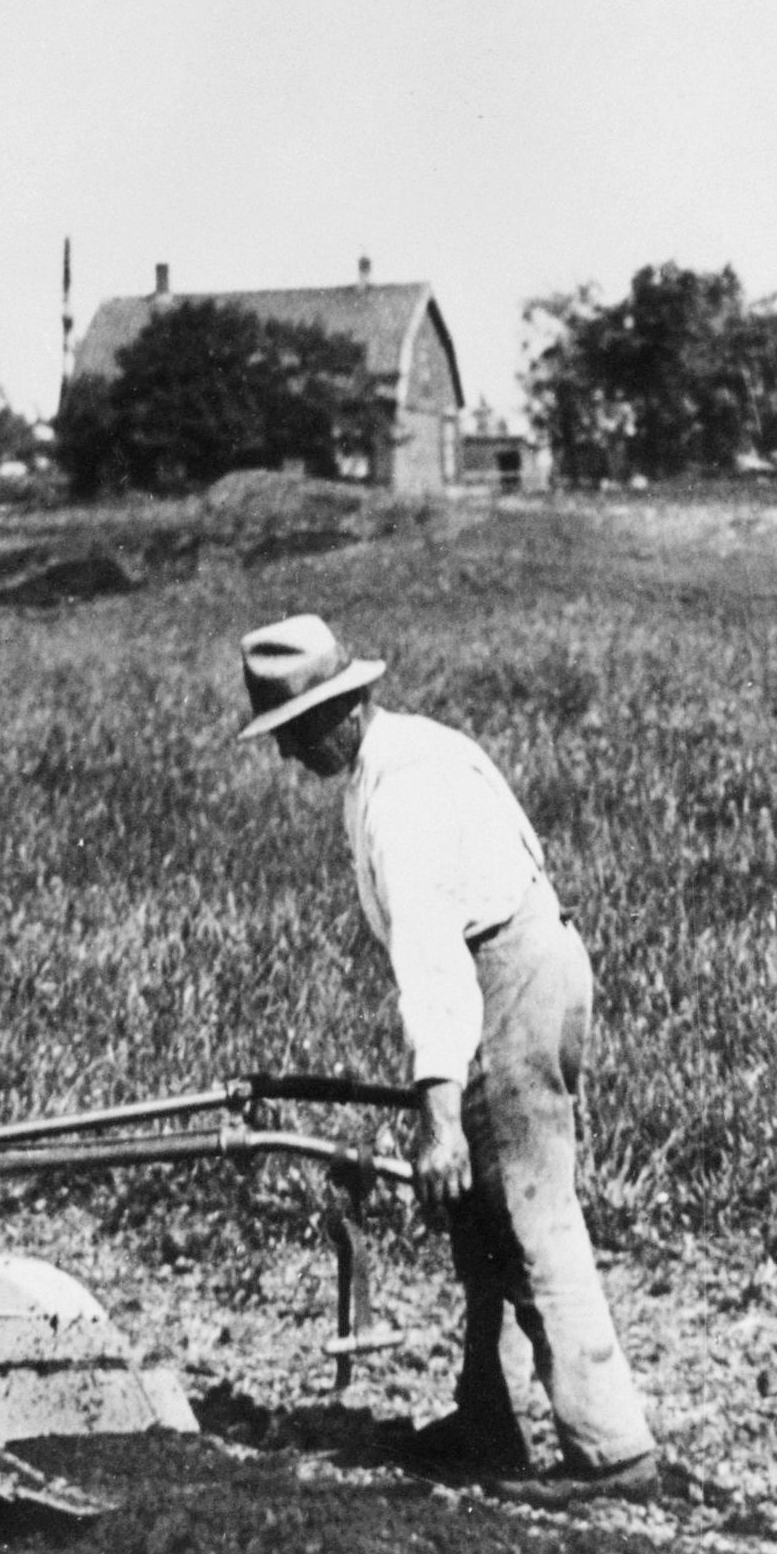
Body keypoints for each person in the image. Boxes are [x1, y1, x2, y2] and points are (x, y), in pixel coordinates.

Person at [237, 614, 663, 1503]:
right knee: (476, 1216)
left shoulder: (403, 794)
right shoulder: (396, 756)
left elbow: (433, 960)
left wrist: (439, 1117)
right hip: (514, 965)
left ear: (341, 709)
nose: (286, 752)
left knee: (527, 1210)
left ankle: (611, 1448)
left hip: (507, 974)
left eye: (294, 731)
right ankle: (487, 1417)